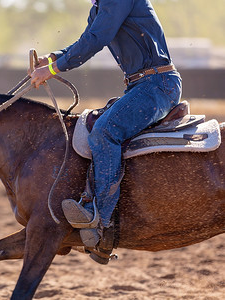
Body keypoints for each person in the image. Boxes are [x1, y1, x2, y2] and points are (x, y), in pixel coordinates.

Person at [30, 0, 182, 247]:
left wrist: (53, 69)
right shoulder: (100, 6)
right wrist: (56, 56)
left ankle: (101, 220)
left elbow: (97, 40)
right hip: (145, 85)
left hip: (156, 85)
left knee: (104, 132)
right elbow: (88, 38)